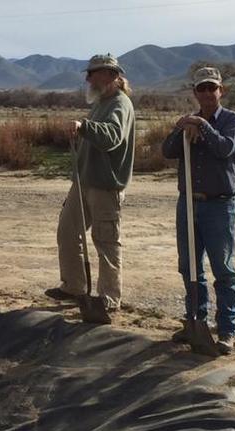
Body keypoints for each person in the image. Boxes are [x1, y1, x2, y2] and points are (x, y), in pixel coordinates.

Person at [161, 66, 235, 354]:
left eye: (212, 88)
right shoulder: (188, 124)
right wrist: (180, 128)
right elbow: (168, 152)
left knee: (223, 268)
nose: (207, 93)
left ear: (221, 90)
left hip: (219, 204)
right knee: (189, 267)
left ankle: (226, 331)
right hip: (188, 203)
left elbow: (224, 149)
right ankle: (195, 322)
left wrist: (204, 126)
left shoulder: (234, 121)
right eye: (202, 88)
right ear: (195, 92)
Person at [45, 53, 136, 316]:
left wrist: (84, 127)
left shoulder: (120, 104)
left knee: (106, 241)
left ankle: (109, 298)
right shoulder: (101, 102)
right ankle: (74, 287)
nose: (87, 78)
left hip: (106, 186)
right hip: (83, 182)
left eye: (92, 73)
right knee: (67, 232)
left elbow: (112, 138)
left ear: (111, 74)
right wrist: (81, 132)